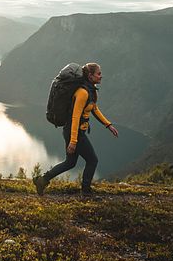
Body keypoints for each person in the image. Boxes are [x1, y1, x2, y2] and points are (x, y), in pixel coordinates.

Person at [34, 63, 119, 196]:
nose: (101, 76)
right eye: (98, 73)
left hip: (74, 132)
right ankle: (85, 191)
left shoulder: (90, 90)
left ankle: (42, 180)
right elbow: (75, 117)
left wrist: (108, 125)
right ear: (90, 76)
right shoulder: (83, 93)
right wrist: (73, 141)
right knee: (92, 160)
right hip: (75, 132)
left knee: (70, 162)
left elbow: (94, 109)